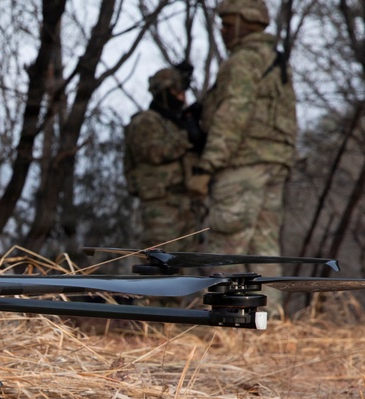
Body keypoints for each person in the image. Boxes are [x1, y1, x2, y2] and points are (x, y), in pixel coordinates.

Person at [188, 0, 297, 310]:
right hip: (273, 163)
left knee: (227, 239)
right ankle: (269, 315)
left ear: (242, 22)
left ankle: (223, 317)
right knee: (264, 245)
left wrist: (207, 166)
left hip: (243, 164)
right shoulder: (275, 62)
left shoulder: (242, 62)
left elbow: (233, 115)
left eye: (226, 23)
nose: (222, 30)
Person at [123, 64, 206, 252]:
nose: (182, 97)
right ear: (163, 92)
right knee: (160, 261)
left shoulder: (176, 123)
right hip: (160, 205)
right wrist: (187, 136)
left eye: (182, 92)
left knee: (188, 264)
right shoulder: (145, 121)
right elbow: (153, 151)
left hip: (188, 204)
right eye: (176, 92)